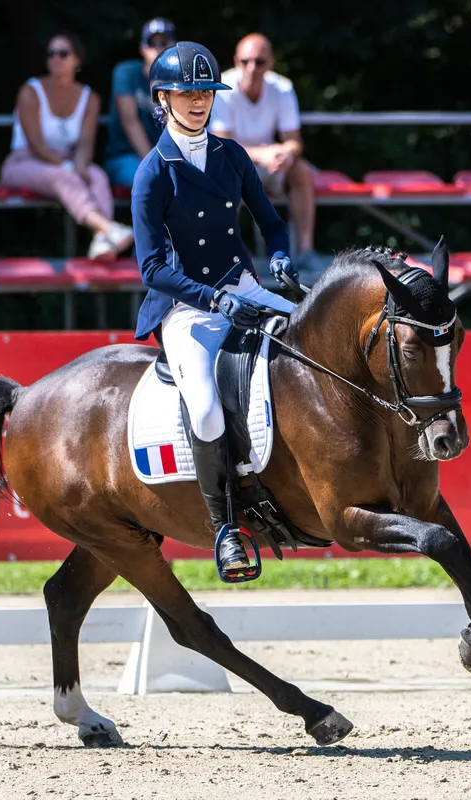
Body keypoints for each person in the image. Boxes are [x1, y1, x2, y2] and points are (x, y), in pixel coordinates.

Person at [130, 41, 299, 582]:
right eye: (188, 93)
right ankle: (226, 529)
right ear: (163, 99)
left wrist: (279, 256)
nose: (200, 101)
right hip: (188, 307)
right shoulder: (153, 173)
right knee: (204, 408)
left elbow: (271, 222)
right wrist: (211, 298)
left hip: (243, 287)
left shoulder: (232, 155)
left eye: (206, 91)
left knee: (311, 345)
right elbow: (152, 268)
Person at [1, 33, 134, 261]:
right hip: (24, 162)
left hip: (68, 161)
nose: (56, 59)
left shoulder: (89, 98)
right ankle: (108, 227)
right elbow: (36, 145)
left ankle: (102, 242)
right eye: (51, 54)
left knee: (97, 176)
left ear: (77, 60)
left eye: (63, 53)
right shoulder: (30, 92)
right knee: (63, 177)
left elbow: (85, 144)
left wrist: (79, 165)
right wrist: (70, 167)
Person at [210, 34, 319, 277]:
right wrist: (265, 153)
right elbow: (221, 145)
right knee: (226, 174)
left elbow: (294, 141)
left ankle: (305, 252)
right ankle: (228, 255)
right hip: (235, 166)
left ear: (270, 63)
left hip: (270, 166)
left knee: (301, 171)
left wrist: (285, 153)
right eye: (245, 61)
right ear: (236, 61)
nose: (252, 68)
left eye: (259, 62)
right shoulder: (222, 88)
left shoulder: (282, 88)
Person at [103, 18, 177, 189]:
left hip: (169, 159)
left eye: (164, 42)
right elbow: (130, 122)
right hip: (126, 157)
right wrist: (157, 166)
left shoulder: (182, 80)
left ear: (175, 46)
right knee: (156, 182)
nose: (158, 48)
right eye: (152, 43)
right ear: (142, 48)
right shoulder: (126, 73)